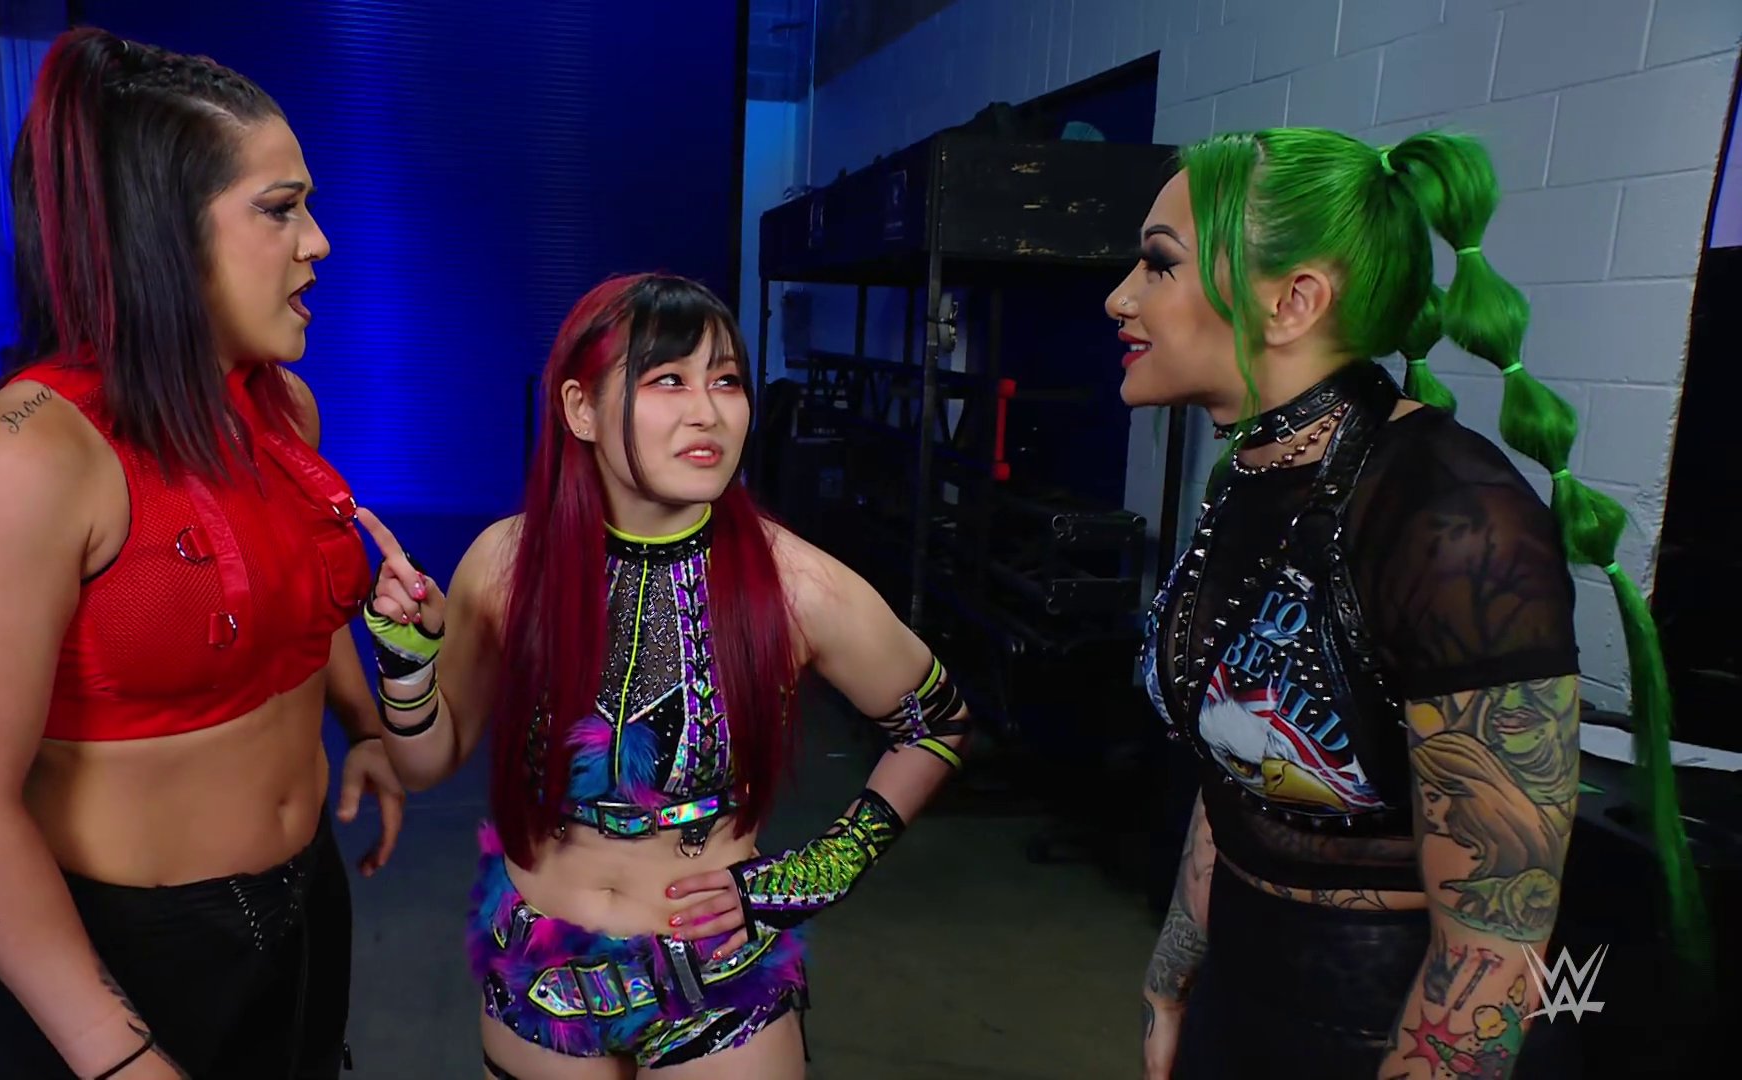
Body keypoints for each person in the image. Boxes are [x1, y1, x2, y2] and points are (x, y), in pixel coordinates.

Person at [1113, 128, 1701, 1079]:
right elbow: (1236, 758)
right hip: (1246, 994)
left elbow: (1494, 945)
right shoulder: (1254, 476)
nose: (1122, 297)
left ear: (1293, 301)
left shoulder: (1452, 517)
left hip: (1394, 1030)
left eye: (1159, 264)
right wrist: (1174, 975)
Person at [0, 27, 408, 1080]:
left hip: (302, 912)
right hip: (110, 956)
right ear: (163, 233)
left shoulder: (282, 407)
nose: (318, 242)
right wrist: (118, 1057)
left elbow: (294, 596)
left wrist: (364, 723)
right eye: (281, 209)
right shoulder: (27, 458)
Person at [353, 272, 972, 1079]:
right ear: (580, 409)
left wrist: (813, 874)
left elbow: (936, 722)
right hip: (540, 974)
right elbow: (425, 761)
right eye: (668, 380)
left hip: (717, 984)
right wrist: (407, 660)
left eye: (726, 380)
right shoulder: (508, 563)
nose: (707, 411)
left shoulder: (796, 583)